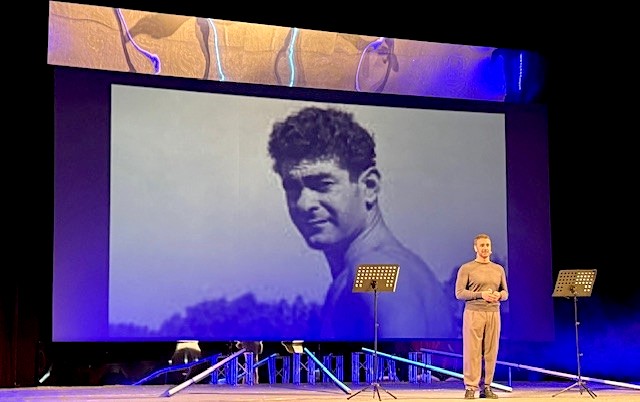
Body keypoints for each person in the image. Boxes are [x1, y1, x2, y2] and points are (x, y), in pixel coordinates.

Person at [267, 106, 454, 340]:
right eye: (293, 188)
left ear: (369, 187)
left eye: (323, 185)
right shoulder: (390, 265)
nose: (304, 204)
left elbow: (398, 359)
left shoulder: (373, 268)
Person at [455, 233, 508, 399]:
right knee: (472, 351)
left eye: (487, 245)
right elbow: (459, 293)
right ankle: (471, 387)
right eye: (482, 245)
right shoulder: (467, 268)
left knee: (491, 351)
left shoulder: (498, 269)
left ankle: (487, 387)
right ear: (475, 248)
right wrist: (481, 295)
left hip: (493, 313)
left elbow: (505, 292)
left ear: (490, 248)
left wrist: (499, 295)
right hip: (474, 312)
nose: (485, 248)